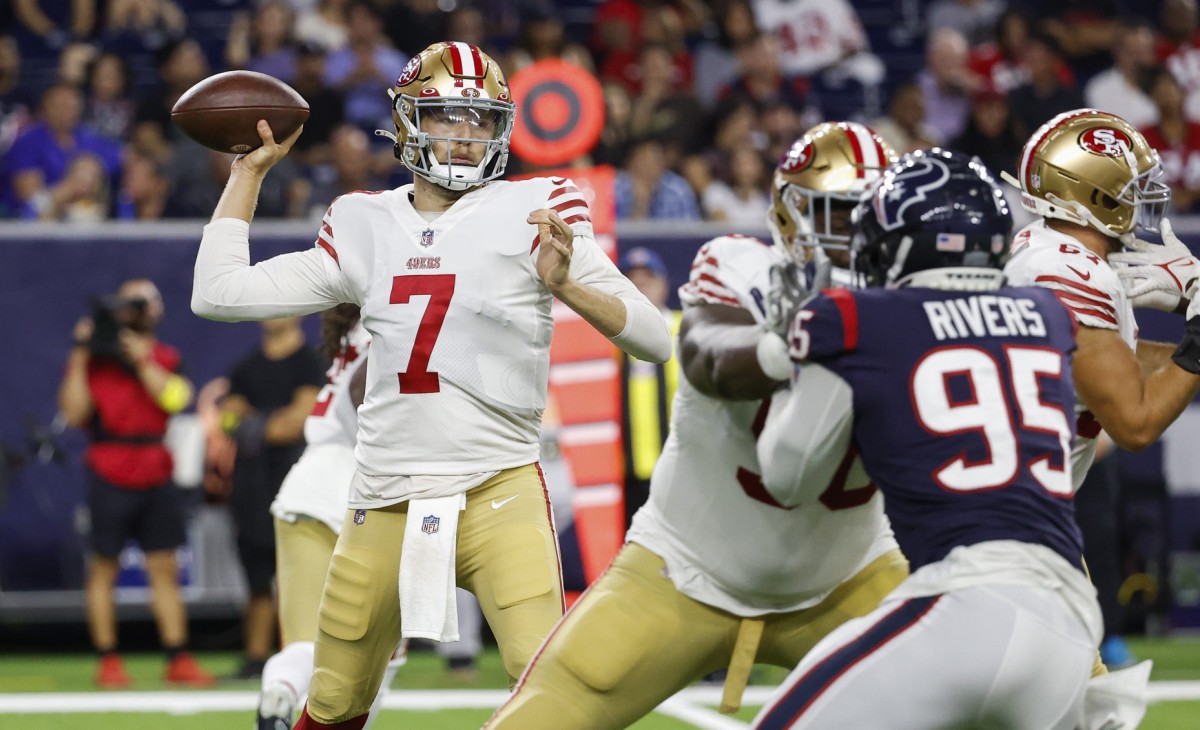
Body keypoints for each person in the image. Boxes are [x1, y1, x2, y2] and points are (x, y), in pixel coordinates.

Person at [191, 40, 672, 729]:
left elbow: (653, 340)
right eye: (448, 115)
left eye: (482, 120)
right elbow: (218, 292)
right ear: (409, 119)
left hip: (497, 488)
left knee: (555, 685)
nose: (467, 134)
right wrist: (248, 174)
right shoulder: (363, 221)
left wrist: (569, 286)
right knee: (333, 700)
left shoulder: (536, 207)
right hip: (385, 494)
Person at [485, 121, 907, 730]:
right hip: (682, 573)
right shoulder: (741, 265)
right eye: (835, 215)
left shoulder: (913, 304)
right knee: (542, 715)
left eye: (869, 216)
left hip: (849, 577)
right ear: (791, 216)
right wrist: (786, 346)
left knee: (1008, 690)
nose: (852, 237)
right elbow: (707, 358)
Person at [751, 147, 1100, 729]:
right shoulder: (1045, 314)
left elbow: (789, 475)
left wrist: (781, 347)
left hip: (967, 604)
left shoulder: (859, 317)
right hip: (1068, 621)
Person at [57, 278, 214, 689]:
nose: (135, 311)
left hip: (156, 468)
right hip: (108, 466)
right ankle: (108, 660)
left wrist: (143, 359)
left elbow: (176, 401)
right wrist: (80, 350)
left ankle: (177, 657)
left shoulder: (166, 357)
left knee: (163, 566)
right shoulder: (94, 361)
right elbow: (74, 413)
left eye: (142, 303)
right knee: (103, 568)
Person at [256, 305, 404, 730]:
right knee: (379, 654)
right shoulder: (395, 317)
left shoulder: (354, 327)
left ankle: (280, 689)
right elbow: (365, 394)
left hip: (308, 486)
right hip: (369, 489)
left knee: (305, 645)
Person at [221, 317, 327, 680]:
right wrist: (266, 424)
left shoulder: (311, 362)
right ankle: (255, 658)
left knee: (300, 575)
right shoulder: (245, 366)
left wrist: (255, 424)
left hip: (300, 479)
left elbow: (299, 422)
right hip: (251, 483)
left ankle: (301, 657)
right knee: (256, 574)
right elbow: (229, 419)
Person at [616, 246, 679, 527]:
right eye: (632, 282)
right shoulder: (607, 339)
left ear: (663, 285)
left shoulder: (688, 328)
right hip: (623, 474)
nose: (640, 288)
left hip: (679, 470)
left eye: (647, 281)